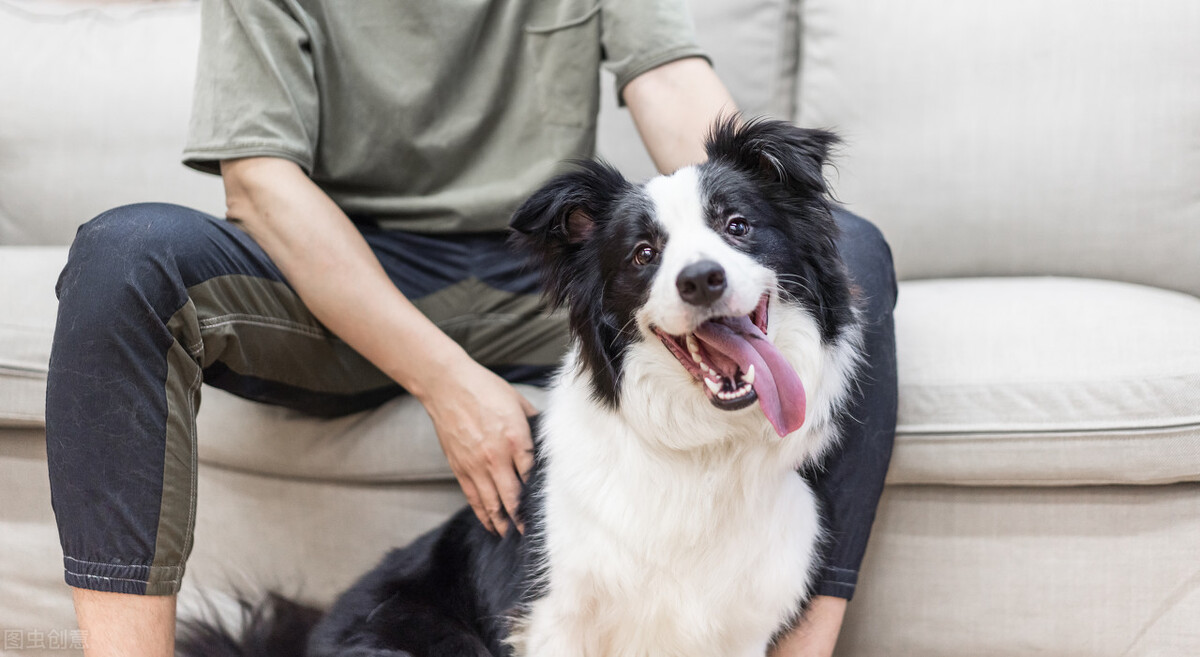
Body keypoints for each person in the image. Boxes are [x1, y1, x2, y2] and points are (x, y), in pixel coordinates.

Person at [44, 1, 897, 655]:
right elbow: (261, 187)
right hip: (346, 269)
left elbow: (678, 97)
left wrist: (739, 226)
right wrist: (445, 380)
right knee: (126, 255)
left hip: (542, 273)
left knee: (849, 246)